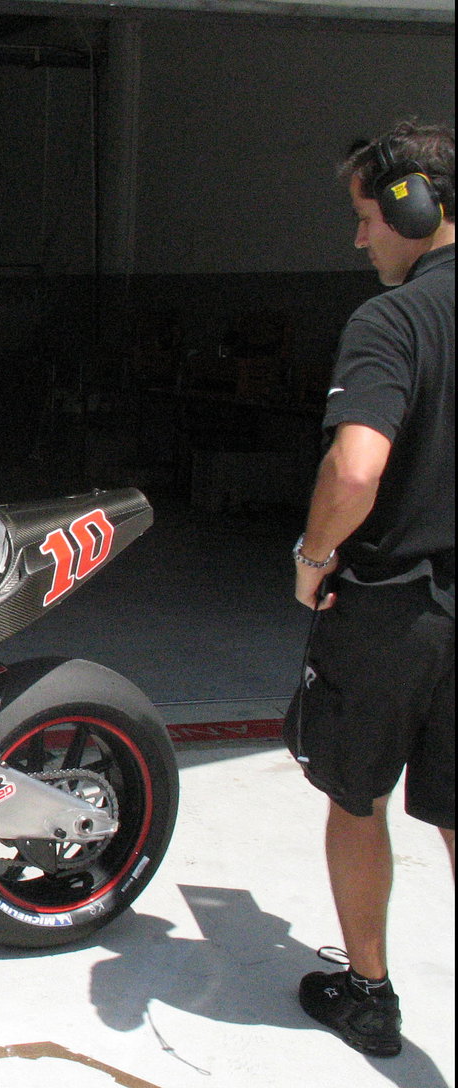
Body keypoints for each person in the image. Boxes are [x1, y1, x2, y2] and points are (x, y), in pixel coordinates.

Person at [284, 119, 454, 1059]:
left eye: (365, 218)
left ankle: (369, 993)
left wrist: (313, 562)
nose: (359, 241)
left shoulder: (393, 320)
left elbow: (355, 471)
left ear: (413, 204)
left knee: (358, 800)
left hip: (395, 607)